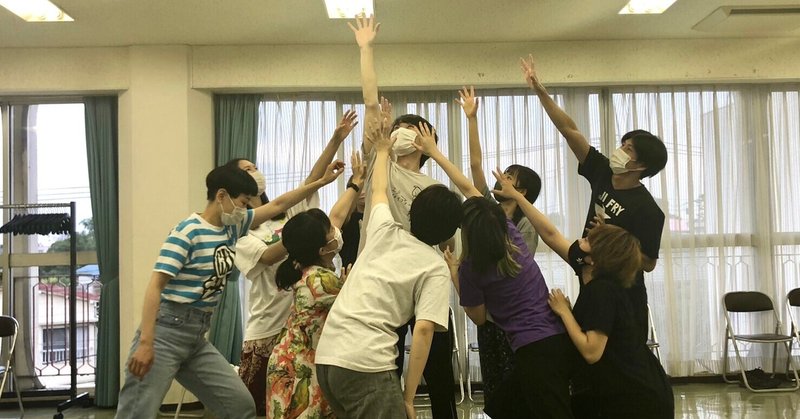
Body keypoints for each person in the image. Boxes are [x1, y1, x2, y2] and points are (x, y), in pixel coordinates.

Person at [115, 161, 343, 419]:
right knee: (137, 413)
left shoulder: (232, 227)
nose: (245, 209)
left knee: (240, 405)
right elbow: (155, 286)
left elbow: (278, 205)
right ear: (221, 196)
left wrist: (320, 183)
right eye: (243, 202)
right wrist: (146, 342)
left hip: (196, 336)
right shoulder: (187, 232)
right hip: (165, 332)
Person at [413, 124, 573, 418]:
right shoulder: (512, 237)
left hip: (533, 348)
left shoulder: (471, 269)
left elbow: (478, 316)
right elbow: (467, 186)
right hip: (553, 337)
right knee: (503, 406)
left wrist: (454, 272)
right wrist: (433, 152)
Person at [492, 171, 674, 419]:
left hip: (637, 396)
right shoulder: (591, 270)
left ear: (597, 257)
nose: (582, 239)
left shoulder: (604, 290)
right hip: (619, 387)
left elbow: (591, 351)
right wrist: (517, 197)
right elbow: (550, 233)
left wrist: (565, 313)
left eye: (590, 240)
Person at [315, 119, 463, 419]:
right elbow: (423, 329)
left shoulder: (383, 228)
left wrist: (382, 150)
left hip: (328, 358)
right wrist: (408, 398)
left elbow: (379, 189)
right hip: (366, 363)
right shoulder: (434, 266)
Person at [349, 15, 457, 418]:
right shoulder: (382, 166)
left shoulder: (433, 189)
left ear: (426, 142)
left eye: (411, 131)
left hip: (422, 280)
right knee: (386, 365)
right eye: (398, 128)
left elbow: (447, 241)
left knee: (438, 368)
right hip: (382, 281)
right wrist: (366, 48)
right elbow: (370, 102)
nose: (401, 134)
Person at [521, 55, 668, 342]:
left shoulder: (648, 210)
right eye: (623, 144)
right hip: (590, 279)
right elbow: (569, 131)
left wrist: (611, 240)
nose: (619, 151)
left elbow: (649, 263)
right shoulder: (603, 171)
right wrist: (539, 89)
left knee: (620, 354)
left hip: (625, 295)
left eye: (628, 149)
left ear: (640, 166)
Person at [232, 111, 358, 415]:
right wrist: (302, 237)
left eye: (255, 167)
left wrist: (335, 140)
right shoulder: (240, 234)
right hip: (267, 330)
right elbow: (268, 256)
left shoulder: (283, 216)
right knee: (264, 409)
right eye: (246, 170)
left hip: (302, 328)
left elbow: (311, 183)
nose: (255, 172)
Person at [456, 85, 544, 407]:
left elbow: (514, 269)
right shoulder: (487, 208)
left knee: (519, 391)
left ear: (523, 192)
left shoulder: (526, 224)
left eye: (509, 177)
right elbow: (475, 165)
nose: (500, 179)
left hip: (515, 318)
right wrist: (471, 119)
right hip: (489, 317)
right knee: (495, 390)